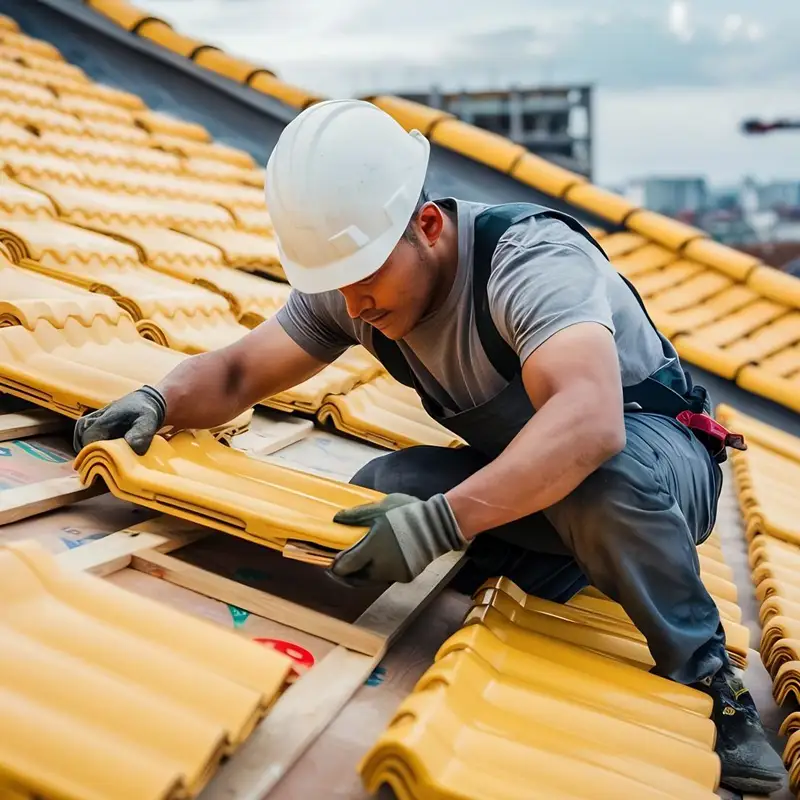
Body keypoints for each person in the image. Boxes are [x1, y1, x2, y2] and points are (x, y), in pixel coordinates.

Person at [73, 99, 784, 793]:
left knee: (596, 483)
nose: (353, 308)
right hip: (543, 476)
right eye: (337, 290)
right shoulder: (357, 276)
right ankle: (579, 562)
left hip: (654, 468)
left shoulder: (529, 262)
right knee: (383, 492)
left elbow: (590, 421)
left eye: (364, 283)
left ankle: (707, 677)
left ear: (429, 225)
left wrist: (447, 521)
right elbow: (236, 371)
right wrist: (160, 398)